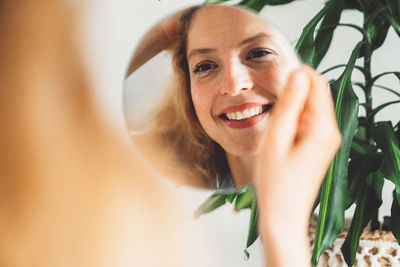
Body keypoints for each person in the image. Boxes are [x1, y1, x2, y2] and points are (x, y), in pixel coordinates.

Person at [0, 1, 341, 267]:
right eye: (205, 66)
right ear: (188, 90)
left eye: (258, 53)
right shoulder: (118, 200)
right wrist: (283, 228)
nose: (235, 85)